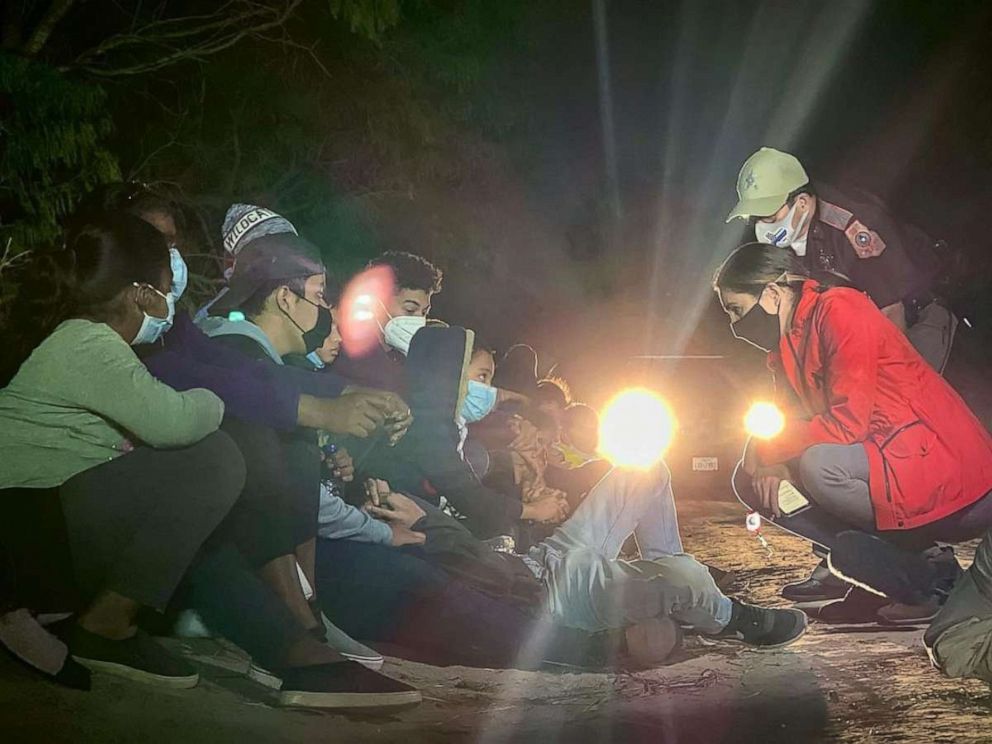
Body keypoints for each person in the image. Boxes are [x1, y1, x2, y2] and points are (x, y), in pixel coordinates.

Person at [0, 212, 244, 689]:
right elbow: (174, 422)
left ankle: (75, 615)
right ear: (140, 294)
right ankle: (106, 627)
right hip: (22, 524)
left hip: (34, 521)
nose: (172, 305)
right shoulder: (87, 342)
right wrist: (217, 402)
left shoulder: (82, 339)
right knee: (212, 458)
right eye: (166, 290)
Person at [715, 242, 992, 624]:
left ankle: (929, 578)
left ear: (774, 294)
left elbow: (848, 424)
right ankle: (889, 578)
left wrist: (771, 448)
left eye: (736, 309)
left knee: (820, 466)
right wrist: (768, 461)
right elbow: (784, 421)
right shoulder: (785, 346)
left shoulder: (839, 309)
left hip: (939, 461)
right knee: (752, 480)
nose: (733, 324)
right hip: (887, 459)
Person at [726, 147, 957, 372]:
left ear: (802, 202)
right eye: (755, 218)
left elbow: (891, 313)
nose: (763, 226)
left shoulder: (851, 226)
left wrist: (884, 378)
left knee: (905, 401)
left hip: (914, 323)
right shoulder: (793, 238)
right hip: (860, 336)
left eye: (769, 216)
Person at [330, 250, 444, 392]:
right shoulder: (343, 356)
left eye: (424, 312)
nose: (418, 320)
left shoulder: (412, 362)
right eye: (409, 310)